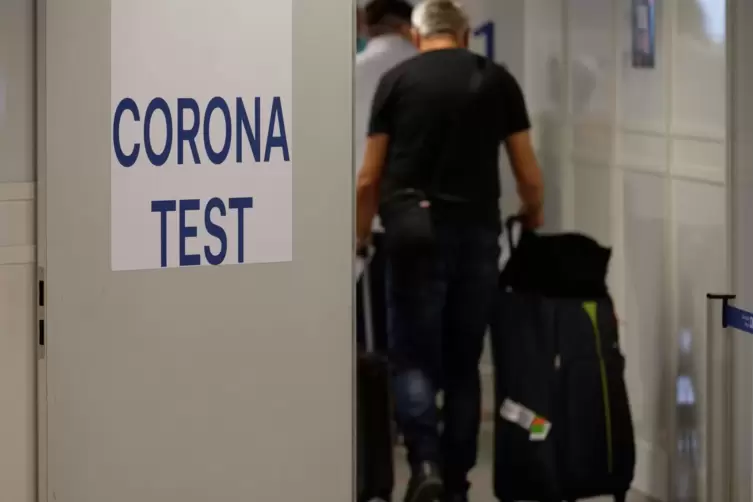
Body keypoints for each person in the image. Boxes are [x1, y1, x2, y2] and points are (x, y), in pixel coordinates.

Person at [355, 1, 544, 501]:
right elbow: (528, 171)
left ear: (418, 38)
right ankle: (457, 481)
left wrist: (358, 234)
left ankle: (426, 467)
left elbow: (369, 175)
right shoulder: (496, 80)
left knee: (412, 358)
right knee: (462, 363)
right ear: (463, 36)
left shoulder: (395, 81)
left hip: (413, 235)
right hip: (477, 235)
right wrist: (534, 213)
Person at [355, 0, 417, 183]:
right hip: (416, 190)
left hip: (360, 182)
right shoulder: (429, 65)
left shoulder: (353, 68)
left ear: (367, 27)